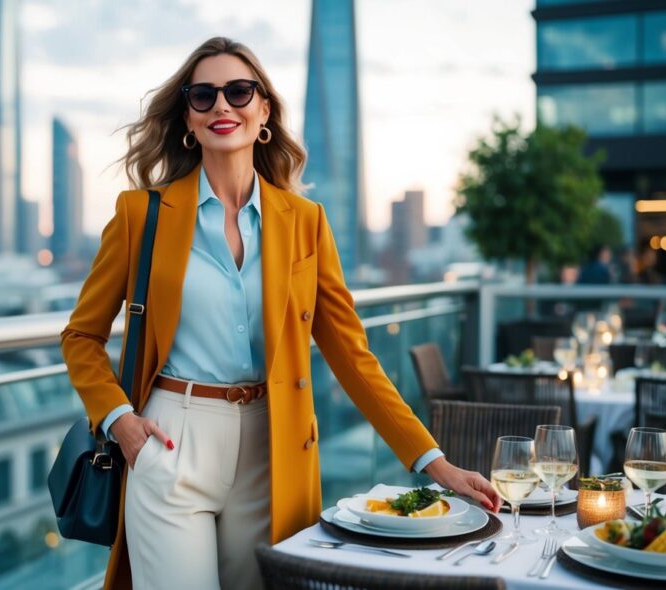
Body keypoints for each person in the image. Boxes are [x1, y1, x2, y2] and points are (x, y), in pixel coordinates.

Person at [60, 37, 502, 590]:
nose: (223, 106)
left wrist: (435, 463)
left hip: (273, 448)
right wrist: (120, 422)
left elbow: (352, 357)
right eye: (203, 96)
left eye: (239, 91)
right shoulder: (139, 215)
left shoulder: (305, 222)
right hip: (170, 440)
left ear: (263, 110)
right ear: (187, 121)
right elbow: (81, 335)